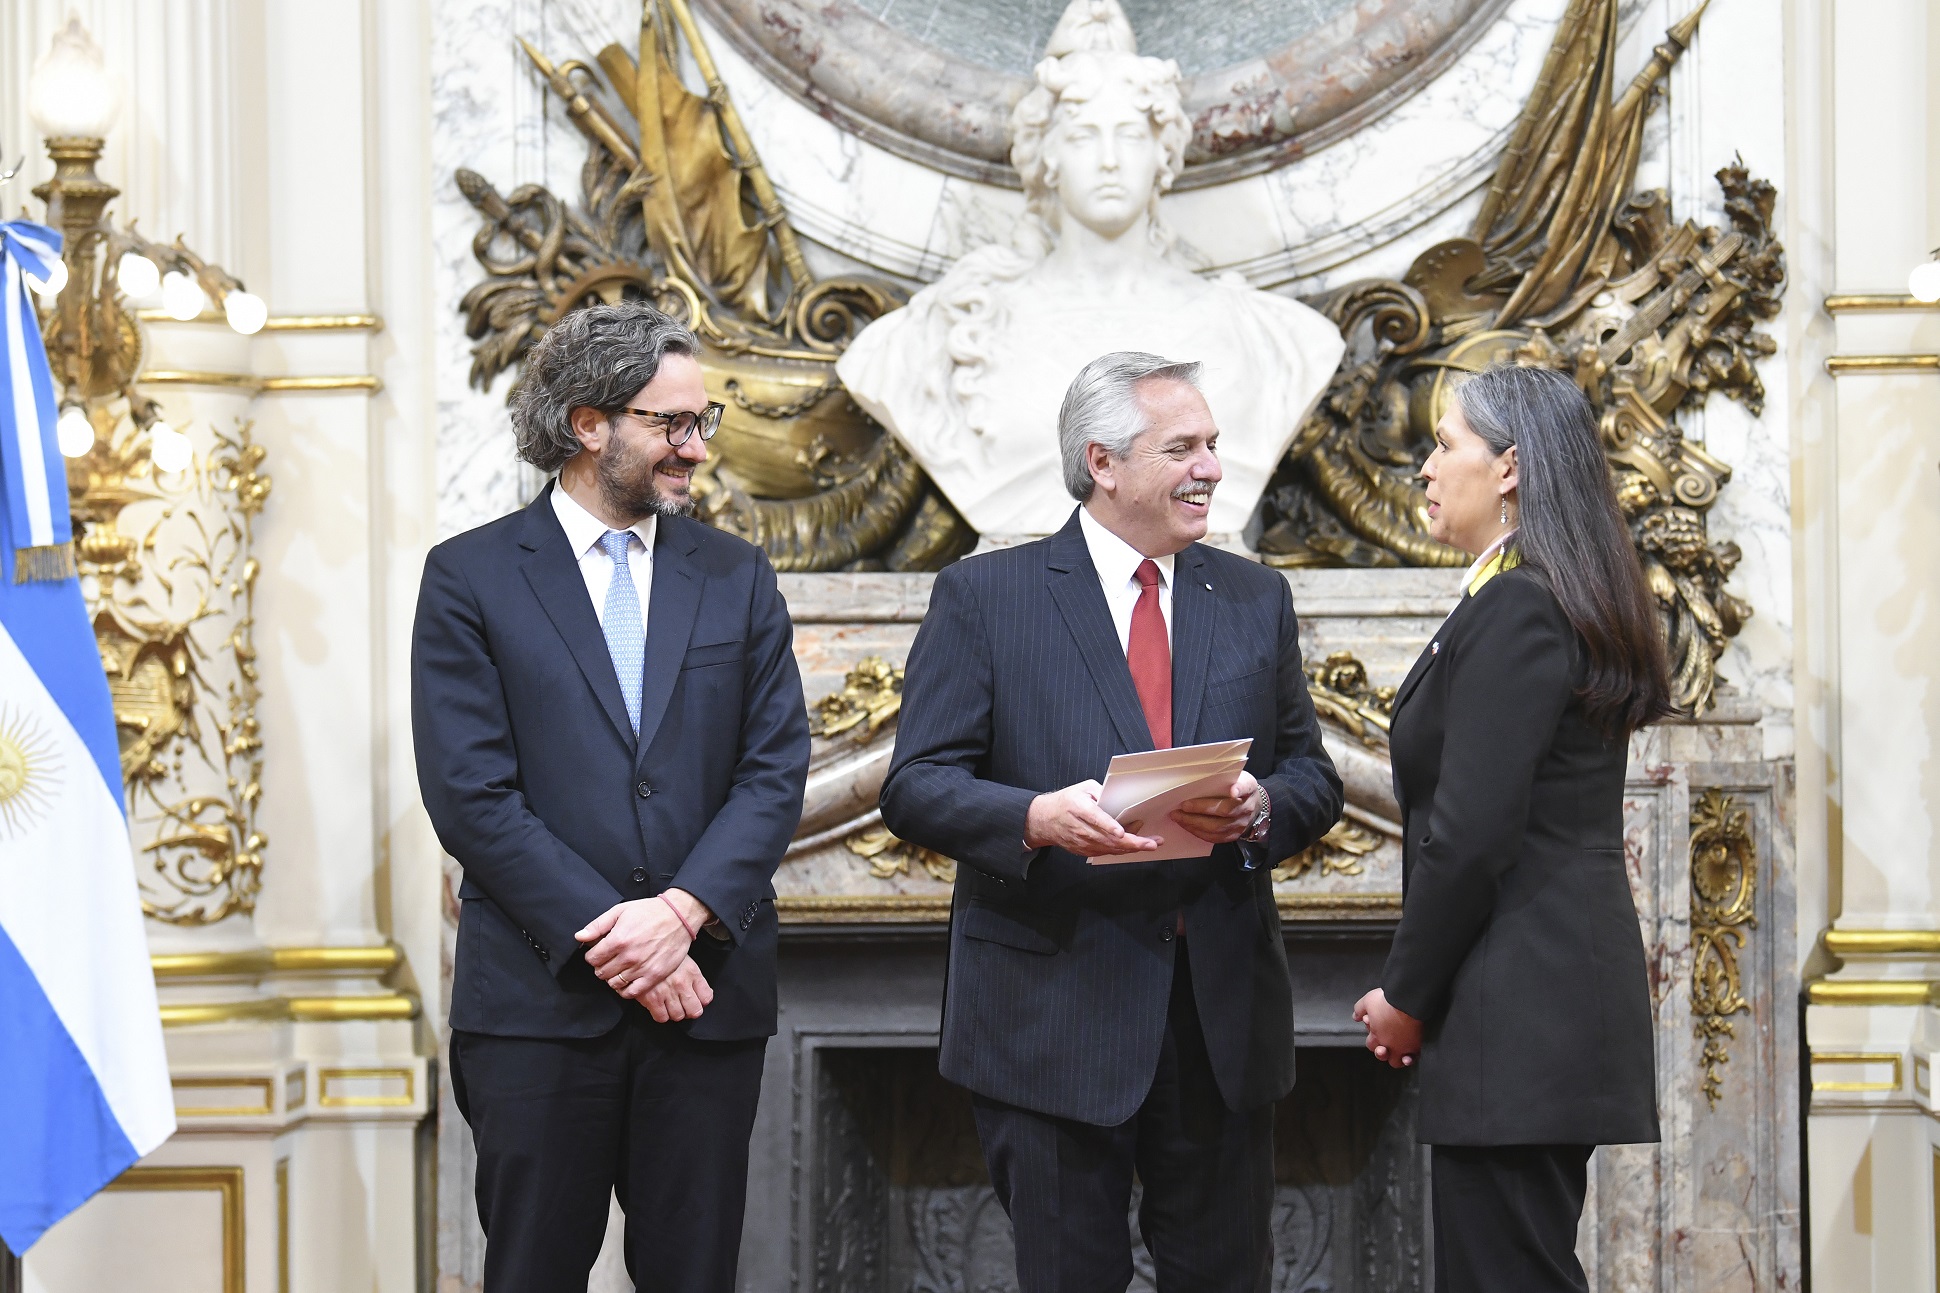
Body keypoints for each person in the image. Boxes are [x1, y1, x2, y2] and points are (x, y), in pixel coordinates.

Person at [880, 351, 1344, 1291]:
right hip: (1051, 1018)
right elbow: (916, 784)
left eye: (1213, 444)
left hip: (1220, 1022)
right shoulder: (987, 596)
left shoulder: (1256, 597)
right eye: (1183, 447)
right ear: (1103, 462)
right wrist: (1036, 817)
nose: (1211, 467)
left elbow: (1313, 775)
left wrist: (1264, 807)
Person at [411, 302, 809, 1292]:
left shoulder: (737, 574)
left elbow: (775, 769)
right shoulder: (468, 577)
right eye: (671, 424)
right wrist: (617, 935)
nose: (694, 448)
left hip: (704, 1000)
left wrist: (678, 916)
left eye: (700, 422)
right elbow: (470, 794)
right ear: (588, 424)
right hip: (539, 1010)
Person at [1352, 363, 1671, 1293]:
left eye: (1446, 443)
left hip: (1519, 1008)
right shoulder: (1528, 593)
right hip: (1526, 1007)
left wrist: (1405, 995)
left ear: (1510, 469)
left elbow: (1472, 834)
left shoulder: (1523, 602)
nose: (1425, 466)